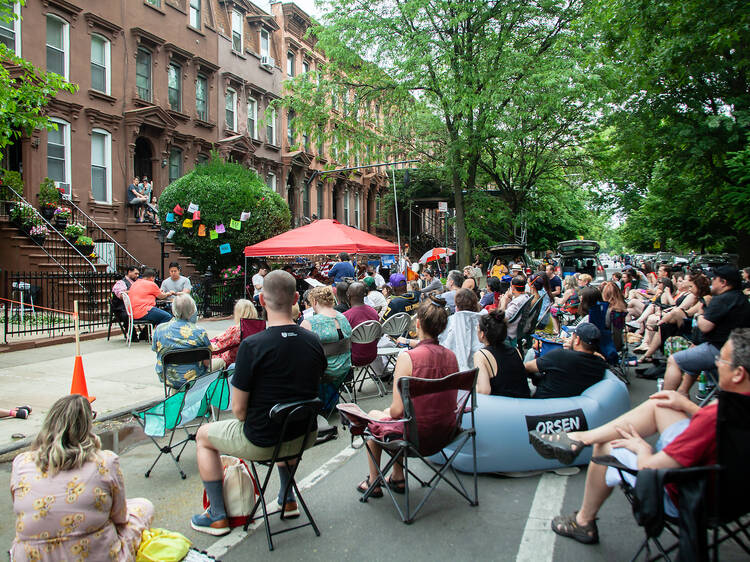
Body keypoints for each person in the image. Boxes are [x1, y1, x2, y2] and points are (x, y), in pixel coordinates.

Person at [527, 328, 750, 546]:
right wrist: (688, 405)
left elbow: (652, 468)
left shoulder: (716, 415)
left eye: (722, 359)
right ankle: (579, 437)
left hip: (691, 495)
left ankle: (583, 521)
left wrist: (642, 449)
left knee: (605, 446)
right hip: (737, 496)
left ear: (739, 373)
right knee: (662, 403)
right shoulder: (728, 413)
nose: (717, 363)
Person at [191, 271, 326, 534]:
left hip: (264, 438)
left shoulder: (252, 346)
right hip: (305, 434)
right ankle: (287, 499)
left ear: (261, 300)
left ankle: (217, 515)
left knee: (203, 436)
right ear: (297, 298)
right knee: (284, 420)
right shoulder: (313, 341)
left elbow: (239, 410)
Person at [10, 395, 154, 559]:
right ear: (86, 425)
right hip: (94, 554)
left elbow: (20, 508)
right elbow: (120, 517)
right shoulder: (105, 461)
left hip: (32, 556)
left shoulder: (21, 463)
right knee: (144, 506)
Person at [357, 296, 459, 497]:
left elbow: (397, 411)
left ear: (418, 324)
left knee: (376, 418)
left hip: (416, 437)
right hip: (447, 432)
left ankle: (374, 481)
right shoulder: (452, 356)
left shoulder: (408, 358)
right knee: (395, 417)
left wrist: (385, 413)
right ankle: (397, 477)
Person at [664, 266, 750, 395]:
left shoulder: (722, 299)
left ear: (723, 282)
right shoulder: (740, 298)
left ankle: (664, 399)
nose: (711, 282)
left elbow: (705, 326)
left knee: (674, 360)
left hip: (721, 350)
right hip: (739, 349)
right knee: (693, 360)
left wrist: (699, 316)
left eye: (714, 279)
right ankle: (683, 392)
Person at [301, 286, 353, 410]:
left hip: (324, 372)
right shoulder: (344, 318)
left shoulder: (309, 323)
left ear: (314, 302)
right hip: (344, 368)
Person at [524, 322, 607, 398]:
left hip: (543, 403)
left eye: (572, 336)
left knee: (531, 354)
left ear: (577, 340)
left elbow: (526, 367)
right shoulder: (600, 364)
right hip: (575, 407)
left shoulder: (560, 355)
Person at [152, 294, 211, 390]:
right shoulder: (200, 332)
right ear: (192, 310)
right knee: (220, 362)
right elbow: (207, 362)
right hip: (195, 378)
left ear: (173, 310)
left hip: (168, 377)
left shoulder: (160, 329)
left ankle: (176, 400)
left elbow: (157, 351)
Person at [472, 310, 531, 397]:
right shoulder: (516, 351)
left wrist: (469, 387)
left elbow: (484, 391)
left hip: (503, 406)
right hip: (525, 402)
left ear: (482, 334)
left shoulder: (481, 355)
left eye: (478, 329)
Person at [437, 288, 483, 371]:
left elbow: (441, 344)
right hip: (479, 369)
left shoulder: (451, 322)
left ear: (457, 306)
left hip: (454, 371)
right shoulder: (483, 320)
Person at [210, 299, 259, 370]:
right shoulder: (258, 327)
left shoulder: (236, 330)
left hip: (232, 361)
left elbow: (217, 347)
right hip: (250, 361)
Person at [343, 282, 380, 368]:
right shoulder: (373, 312)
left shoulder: (345, 316)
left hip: (353, 358)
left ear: (348, 296)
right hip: (373, 355)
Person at [497, 274, 530, 344]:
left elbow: (501, 317)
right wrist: (510, 298)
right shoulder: (526, 297)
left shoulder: (516, 303)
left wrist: (503, 302)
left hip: (510, 332)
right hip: (520, 329)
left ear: (513, 288)